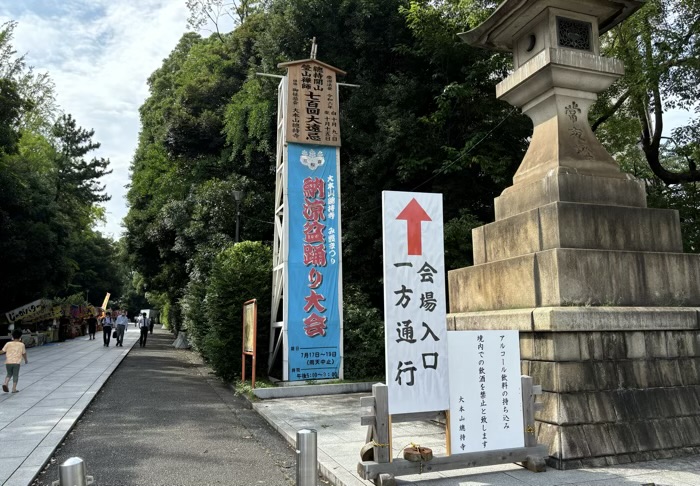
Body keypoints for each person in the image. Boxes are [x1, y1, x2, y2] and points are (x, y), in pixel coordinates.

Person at [2, 329, 28, 393]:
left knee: (9, 374)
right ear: (20, 337)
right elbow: (24, 353)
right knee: (15, 375)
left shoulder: (8, 343)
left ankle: (5, 383)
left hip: (8, 362)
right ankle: (14, 389)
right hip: (16, 363)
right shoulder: (21, 344)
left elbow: (2, 351)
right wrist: (26, 360)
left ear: (12, 336)